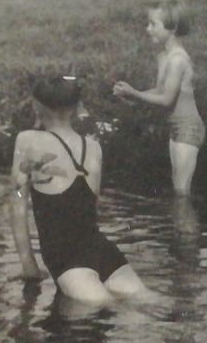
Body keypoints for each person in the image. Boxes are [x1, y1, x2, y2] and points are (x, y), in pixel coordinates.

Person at [10, 74, 151, 307]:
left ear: (38, 108)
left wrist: (29, 266)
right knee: (148, 304)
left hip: (67, 260)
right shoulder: (93, 148)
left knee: (102, 309)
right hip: (103, 251)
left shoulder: (26, 141)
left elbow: (17, 204)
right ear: (76, 109)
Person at [113, 0, 203, 196]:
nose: (148, 29)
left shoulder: (178, 60)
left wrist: (134, 93)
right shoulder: (164, 57)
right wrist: (133, 96)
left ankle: (187, 227)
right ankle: (180, 227)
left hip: (188, 129)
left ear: (172, 28)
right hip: (176, 128)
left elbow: (166, 100)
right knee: (178, 189)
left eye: (153, 24)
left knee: (181, 192)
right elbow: (159, 91)